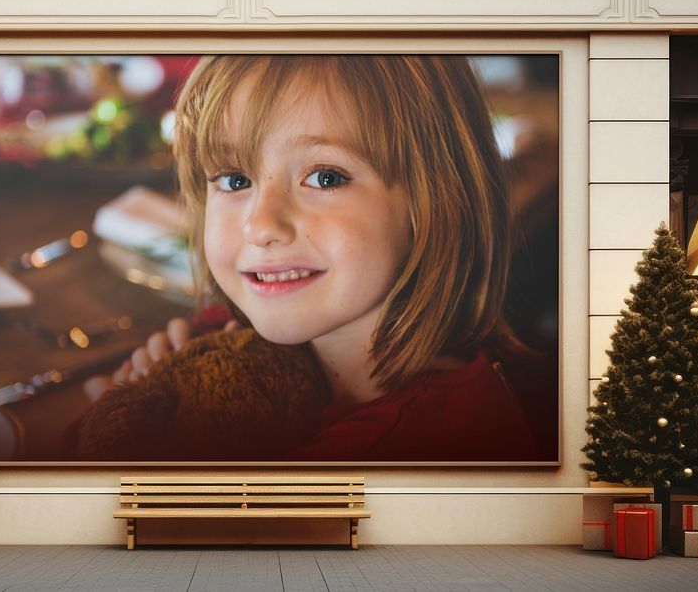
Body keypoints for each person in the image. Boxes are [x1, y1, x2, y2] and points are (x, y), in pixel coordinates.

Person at [73, 54, 551, 462]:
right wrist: (133, 407)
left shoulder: (421, 452)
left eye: (325, 177)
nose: (260, 226)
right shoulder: (245, 333)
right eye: (235, 180)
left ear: (440, 199)